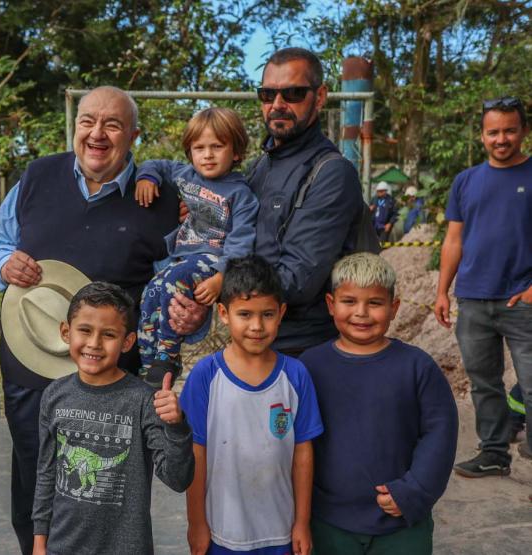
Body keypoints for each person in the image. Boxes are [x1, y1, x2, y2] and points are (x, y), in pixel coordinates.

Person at [0, 85, 205, 553]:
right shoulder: (37, 176)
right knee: (34, 487)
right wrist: (4, 264)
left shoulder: (165, 199)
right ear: (75, 126)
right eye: (87, 121)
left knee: (109, 494)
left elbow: (185, 280)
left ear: (133, 135)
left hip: (116, 384)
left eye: (112, 124)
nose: (96, 134)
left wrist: (192, 315)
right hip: (32, 368)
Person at [302, 253, 458, 554]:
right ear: (331, 304)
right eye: (349, 302)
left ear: (394, 308)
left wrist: (414, 491)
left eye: (374, 303)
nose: (361, 313)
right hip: (328, 522)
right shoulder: (310, 366)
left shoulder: (417, 367)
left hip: (400, 524)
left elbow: (440, 432)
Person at [31, 282, 194, 555]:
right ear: (65, 332)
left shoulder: (143, 400)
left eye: (108, 334)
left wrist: (176, 426)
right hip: (62, 546)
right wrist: (39, 541)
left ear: (127, 341)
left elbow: (178, 479)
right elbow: (46, 474)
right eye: (85, 330)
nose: (94, 343)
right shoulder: (54, 396)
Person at [180, 255, 323, 555]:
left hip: (280, 531)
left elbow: (303, 453)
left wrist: (301, 522)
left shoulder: (295, 376)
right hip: (222, 531)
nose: (257, 326)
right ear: (223, 313)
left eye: (267, 314)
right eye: (245, 314)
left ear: (281, 313)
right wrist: (197, 523)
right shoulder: (205, 377)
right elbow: (196, 455)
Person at [435, 96, 532, 476]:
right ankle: (493, 454)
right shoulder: (466, 181)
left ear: (524, 131)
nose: (502, 139)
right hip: (473, 299)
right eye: (493, 132)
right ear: (482, 136)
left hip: (522, 300)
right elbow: (453, 240)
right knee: (484, 383)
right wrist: (442, 290)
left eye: (510, 130)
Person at [245, 47, 363, 356]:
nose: (278, 105)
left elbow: (297, 280)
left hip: (300, 352)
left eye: (294, 94)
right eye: (267, 95)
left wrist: (221, 283)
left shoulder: (331, 173)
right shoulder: (258, 166)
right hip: (251, 341)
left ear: (320, 97)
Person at [134, 107, 258, 385]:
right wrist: (147, 178)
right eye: (199, 147)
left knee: (175, 279)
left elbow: (241, 240)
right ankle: (148, 363)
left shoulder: (241, 194)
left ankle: (167, 355)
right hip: (180, 257)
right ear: (189, 152)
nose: (208, 154)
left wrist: (222, 276)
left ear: (236, 152)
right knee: (151, 290)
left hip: (212, 260)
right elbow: (156, 164)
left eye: (217, 146)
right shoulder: (185, 174)